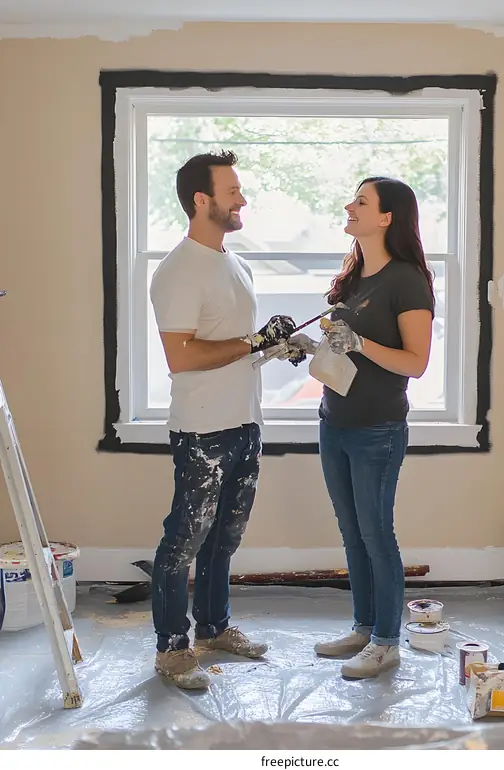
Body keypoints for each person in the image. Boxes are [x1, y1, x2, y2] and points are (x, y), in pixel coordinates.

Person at [149, 151, 296, 690]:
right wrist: (253, 341)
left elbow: (236, 349)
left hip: (244, 422)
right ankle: (171, 649)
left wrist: (274, 347)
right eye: (233, 191)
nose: (243, 200)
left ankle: (214, 628)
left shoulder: (236, 263)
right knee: (184, 540)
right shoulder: (179, 270)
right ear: (201, 200)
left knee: (224, 538)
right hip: (202, 429)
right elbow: (183, 357)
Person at [282, 177, 434, 679]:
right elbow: (338, 348)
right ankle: (365, 627)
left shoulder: (407, 279)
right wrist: (307, 349)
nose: (349, 205)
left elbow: (415, 363)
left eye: (362, 201)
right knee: (352, 532)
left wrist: (360, 344)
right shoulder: (355, 278)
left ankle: (388, 641)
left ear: (387, 217)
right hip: (335, 422)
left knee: (376, 533)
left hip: (377, 429)